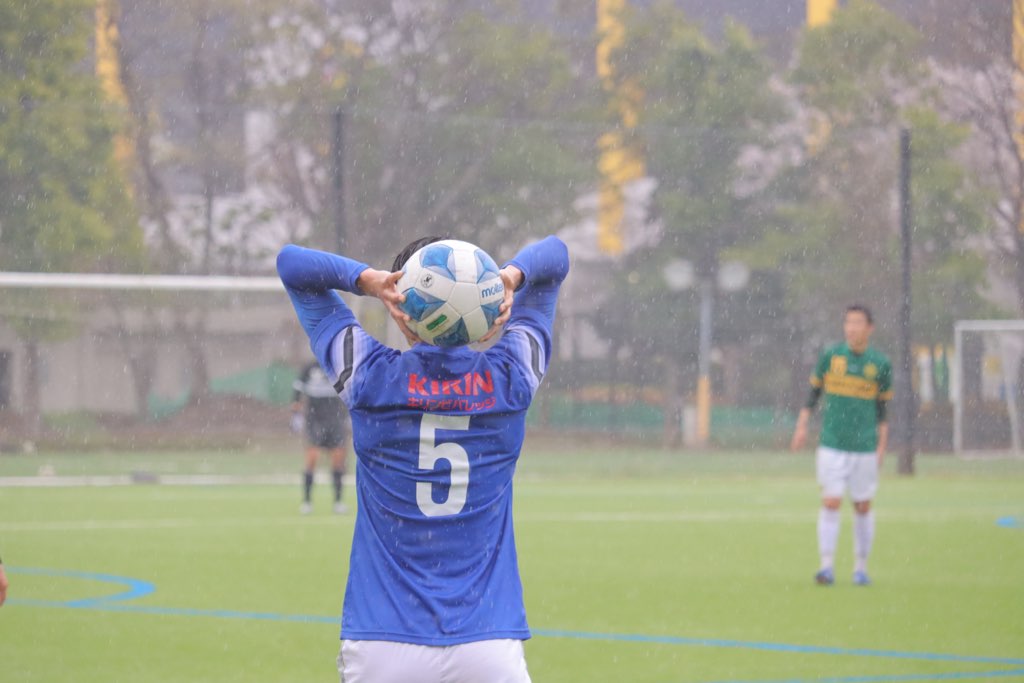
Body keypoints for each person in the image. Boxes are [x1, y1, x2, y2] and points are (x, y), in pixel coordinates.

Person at [277, 234, 568, 683]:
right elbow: (555, 257)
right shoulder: (512, 377)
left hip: (383, 642)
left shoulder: (368, 377)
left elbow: (292, 266)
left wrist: (366, 280)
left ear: (402, 309)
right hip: (486, 644)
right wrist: (510, 277)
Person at [791, 304, 893, 587]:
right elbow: (813, 394)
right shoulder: (831, 356)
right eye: (848, 322)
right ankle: (826, 566)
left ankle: (861, 567)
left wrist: (881, 446)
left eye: (858, 322)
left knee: (862, 506)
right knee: (831, 501)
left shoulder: (880, 364)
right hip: (832, 443)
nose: (852, 327)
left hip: (864, 447)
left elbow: (883, 411)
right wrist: (802, 426)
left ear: (869, 328)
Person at [292, 358, 349, 514]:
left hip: (335, 419)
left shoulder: (339, 365)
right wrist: (296, 414)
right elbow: (297, 390)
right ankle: (307, 502)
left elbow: (350, 389)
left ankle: (338, 502)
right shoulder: (309, 368)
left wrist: (351, 415)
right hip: (315, 420)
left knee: (338, 460)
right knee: (311, 459)